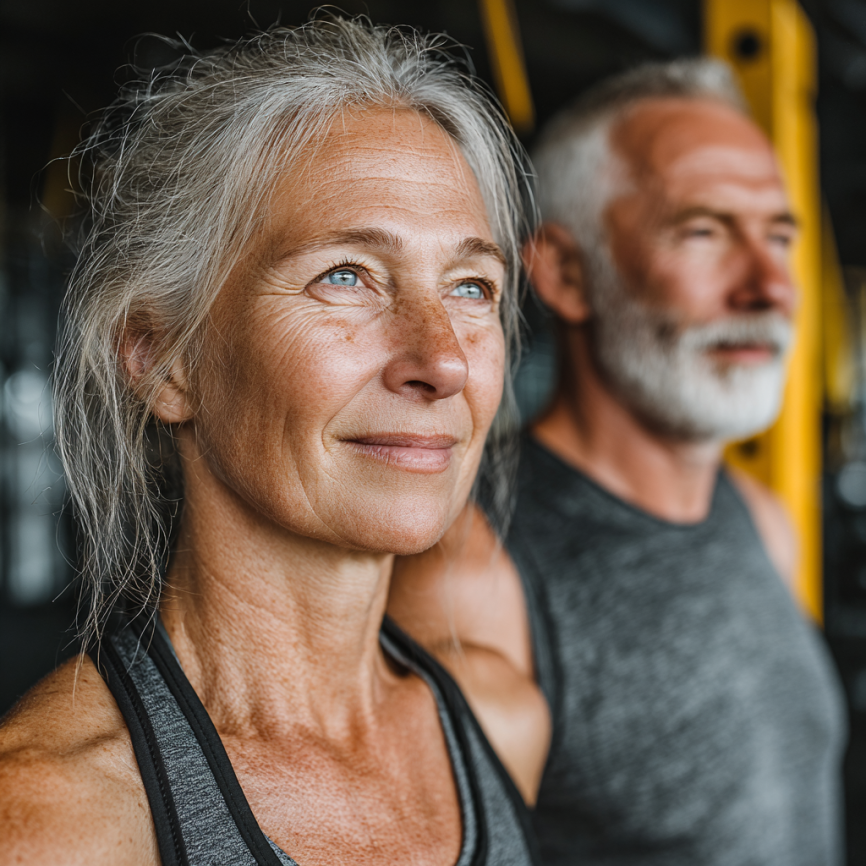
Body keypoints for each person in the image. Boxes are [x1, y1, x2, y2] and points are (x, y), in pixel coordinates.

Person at [0, 19, 551, 866]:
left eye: (472, 286)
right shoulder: (54, 820)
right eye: (346, 276)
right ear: (165, 360)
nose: (441, 359)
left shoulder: (496, 720)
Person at [390, 58, 846, 865]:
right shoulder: (470, 576)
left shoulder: (761, 520)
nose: (770, 286)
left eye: (779, 236)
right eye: (704, 231)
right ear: (566, 274)